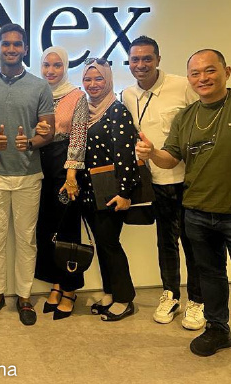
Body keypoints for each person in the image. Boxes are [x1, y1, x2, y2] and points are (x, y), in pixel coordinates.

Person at [136, 49, 231, 377]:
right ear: (189, 78)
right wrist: (152, 153)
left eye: (210, 70)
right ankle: (218, 329)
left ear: (226, 71)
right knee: (210, 277)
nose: (202, 78)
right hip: (198, 211)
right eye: (195, 73)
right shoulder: (187, 116)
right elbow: (171, 159)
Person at [0, 23, 55, 326]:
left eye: (16, 44)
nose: (10, 49)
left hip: (29, 174)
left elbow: (49, 130)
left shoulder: (40, 87)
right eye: (5, 44)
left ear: (25, 49)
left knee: (26, 240)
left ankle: (24, 297)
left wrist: (31, 142)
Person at [121, 36, 204, 330]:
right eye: (135, 59)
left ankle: (198, 300)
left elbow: (204, 122)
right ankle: (170, 295)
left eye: (147, 58)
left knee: (193, 243)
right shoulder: (128, 94)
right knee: (165, 242)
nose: (141, 65)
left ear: (158, 59)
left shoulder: (182, 86)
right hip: (154, 181)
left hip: (187, 180)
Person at [78, 58, 140, 322]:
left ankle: (125, 299)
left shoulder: (117, 110)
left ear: (108, 80)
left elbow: (125, 154)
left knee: (110, 244)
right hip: (89, 192)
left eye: (98, 78)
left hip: (111, 192)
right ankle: (110, 292)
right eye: (88, 79)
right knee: (102, 244)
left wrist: (124, 193)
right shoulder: (85, 110)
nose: (93, 84)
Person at [34, 46, 88, 320]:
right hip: (39, 165)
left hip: (65, 167)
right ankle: (55, 283)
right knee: (46, 227)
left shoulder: (77, 95)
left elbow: (78, 135)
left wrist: (71, 174)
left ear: (65, 67)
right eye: (46, 65)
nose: (51, 70)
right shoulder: (37, 93)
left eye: (57, 65)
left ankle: (70, 289)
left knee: (67, 228)